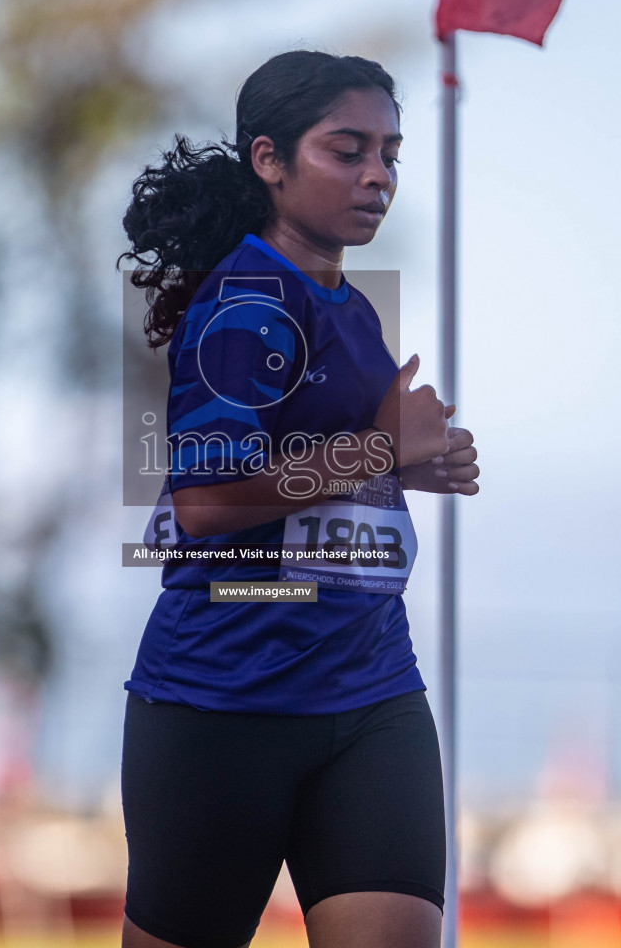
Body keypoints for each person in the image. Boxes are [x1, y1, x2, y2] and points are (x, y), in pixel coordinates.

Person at [117, 50, 481, 948]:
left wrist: (407, 468)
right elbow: (203, 508)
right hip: (226, 702)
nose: (377, 175)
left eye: (390, 154)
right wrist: (383, 448)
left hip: (372, 694)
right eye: (346, 150)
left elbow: (328, 464)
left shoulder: (349, 307)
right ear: (269, 161)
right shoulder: (246, 300)